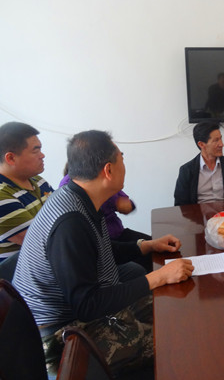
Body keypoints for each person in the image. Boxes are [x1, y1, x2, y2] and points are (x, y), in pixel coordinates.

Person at [13, 130, 194, 354]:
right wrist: (159, 276)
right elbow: (88, 305)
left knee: (165, 305)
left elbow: (97, 250)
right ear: (108, 170)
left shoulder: (76, 196)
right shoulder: (71, 223)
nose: (125, 165)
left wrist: (146, 245)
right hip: (61, 335)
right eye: (122, 158)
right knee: (174, 333)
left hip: (80, 308)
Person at [0, 121, 53, 300]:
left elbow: (62, 219)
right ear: (11, 158)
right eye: (36, 150)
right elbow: (46, 244)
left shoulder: (37, 181)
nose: (42, 155)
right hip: (29, 283)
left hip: (47, 268)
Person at [60, 166, 153, 271]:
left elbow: (126, 203)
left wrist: (125, 204)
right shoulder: (70, 186)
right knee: (141, 266)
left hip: (119, 234)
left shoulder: (101, 175)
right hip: (103, 245)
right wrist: (114, 202)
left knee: (156, 247)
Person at [174, 122, 224, 205]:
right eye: (216, 140)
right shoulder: (186, 171)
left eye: (221, 138)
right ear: (201, 144)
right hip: (198, 213)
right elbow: (180, 205)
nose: (221, 144)